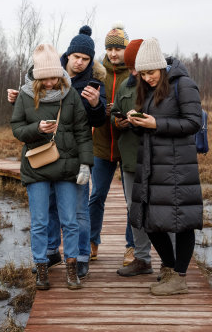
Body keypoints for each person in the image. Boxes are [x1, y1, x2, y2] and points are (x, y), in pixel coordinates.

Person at [8, 26, 106, 279]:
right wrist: (37, 128)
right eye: (46, 78)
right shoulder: (25, 96)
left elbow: (84, 132)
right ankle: (43, 265)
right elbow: (17, 129)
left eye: (54, 77)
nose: (51, 82)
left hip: (68, 167)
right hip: (38, 166)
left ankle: (75, 264)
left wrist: (86, 164)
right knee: (41, 220)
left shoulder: (71, 94)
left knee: (73, 219)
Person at [127, 37, 203, 295]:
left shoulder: (184, 85)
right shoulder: (148, 90)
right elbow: (151, 127)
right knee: (150, 220)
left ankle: (179, 277)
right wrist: (138, 123)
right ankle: (169, 268)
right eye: (143, 74)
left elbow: (193, 123)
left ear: (161, 66)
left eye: (151, 72)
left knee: (182, 222)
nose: (147, 78)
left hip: (178, 166)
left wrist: (156, 125)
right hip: (152, 166)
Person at [89, 22, 135, 265]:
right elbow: (87, 103)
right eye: (110, 49)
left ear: (126, 50)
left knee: (131, 199)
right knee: (97, 195)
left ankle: (131, 246)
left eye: (118, 49)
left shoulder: (134, 75)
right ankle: (92, 241)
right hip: (101, 145)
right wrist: (98, 108)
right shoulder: (97, 73)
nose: (114, 53)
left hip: (128, 146)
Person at [111, 39, 154, 276]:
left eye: (137, 66)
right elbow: (114, 114)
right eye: (130, 68)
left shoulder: (158, 84)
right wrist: (118, 120)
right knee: (134, 208)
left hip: (156, 156)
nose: (134, 72)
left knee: (159, 207)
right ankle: (142, 259)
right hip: (129, 158)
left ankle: (172, 263)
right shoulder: (124, 88)